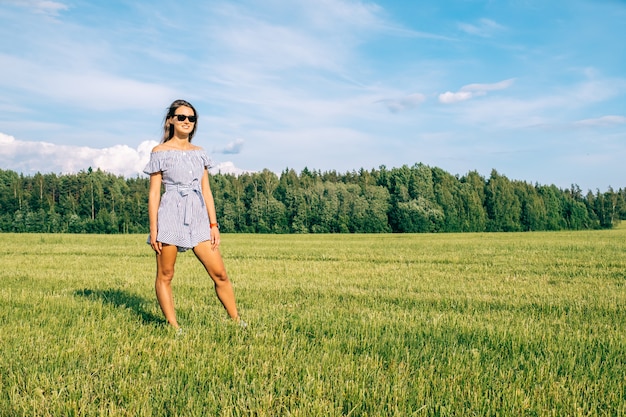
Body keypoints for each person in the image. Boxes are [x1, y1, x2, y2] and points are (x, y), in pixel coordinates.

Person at [144, 99, 245, 333]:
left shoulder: (200, 154)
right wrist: (154, 229)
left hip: (198, 215)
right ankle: (174, 327)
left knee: (219, 273)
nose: (186, 121)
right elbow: (154, 193)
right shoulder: (159, 152)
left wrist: (213, 223)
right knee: (166, 274)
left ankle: (237, 321)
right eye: (181, 117)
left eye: (191, 118)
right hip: (169, 214)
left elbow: (206, 191)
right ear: (171, 120)